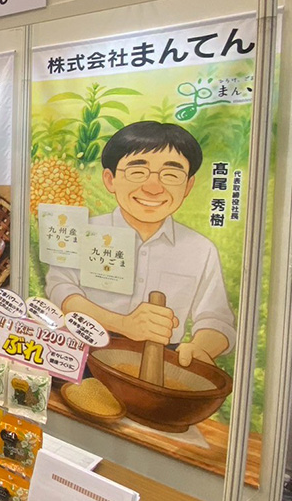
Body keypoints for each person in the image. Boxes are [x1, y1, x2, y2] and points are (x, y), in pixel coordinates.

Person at [45, 121, 236, 368]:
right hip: (83, 352)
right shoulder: (83, 231)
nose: (153, 188)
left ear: (188, 185)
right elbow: (61, 290)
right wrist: (123, 324)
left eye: (171, 175)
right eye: (137, 172)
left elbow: (216, 319)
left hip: (162, 364)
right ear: (110, 180)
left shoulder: (201, 249)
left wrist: (201, 348)